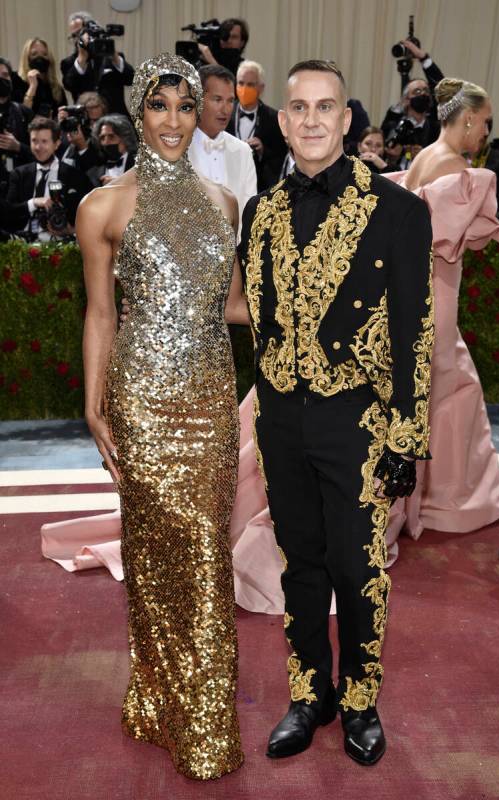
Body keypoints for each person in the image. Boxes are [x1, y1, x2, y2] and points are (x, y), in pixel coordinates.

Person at [239, 59, 433, 765]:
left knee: (356, 570)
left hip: (356, 419)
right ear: (282, 121)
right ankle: (308, 692)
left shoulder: (398, 210)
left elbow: (414, 331)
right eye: (299, 107)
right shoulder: (259, 212)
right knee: (300, 564)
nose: (313, 119)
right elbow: (258, 315)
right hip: (280, 419)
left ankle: (358, 698)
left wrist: (404, 438)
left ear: (346, 120)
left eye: (326, 106)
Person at [77, 52, 247, 780]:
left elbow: (236, 306)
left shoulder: (224, 203)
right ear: (138, 113)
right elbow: (100, 313)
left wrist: (315, 299)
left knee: (207, 557)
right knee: (152, 559)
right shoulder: (102, 206)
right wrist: (94, 403)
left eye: (186, 108)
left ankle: (201, 719)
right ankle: (160, 699)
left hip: (211, 399)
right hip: (143, 400)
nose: (175, 122)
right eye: (160, 107)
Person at [384, 78, 499, 548]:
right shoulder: (457, 170)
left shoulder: (421, 159)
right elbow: (449, 244)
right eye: (484, 123)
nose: (485, 133)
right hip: (435, 299)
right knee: (447, 392)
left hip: (413, 296)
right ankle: (443, 502)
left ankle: (426, 494)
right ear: (465, 119)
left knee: (436, 393)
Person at [188, 64, 257, 227]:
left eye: (230, 101)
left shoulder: (243, 151)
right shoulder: (176, 148)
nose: (225, 109)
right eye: (217, 99)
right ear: (197, 99)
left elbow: (248, 211)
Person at [7, 116, 90, 240]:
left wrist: (71, 230)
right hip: (22, 244)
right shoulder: (19, 174)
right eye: (34, 141)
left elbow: (89, 215)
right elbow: (8, 212)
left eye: (44, 141)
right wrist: (34, 202)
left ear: (56, 144)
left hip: (61, 246)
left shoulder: (74, 176)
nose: (38, 147)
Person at [227, 60, 287, 190]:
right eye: (241, 83)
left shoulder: (274, 119)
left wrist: (262, 151)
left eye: (250, 85)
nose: (244, 89)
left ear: (261, 88)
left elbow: (281, 158)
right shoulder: (224, 114)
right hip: (226, 185)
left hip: (258, 189)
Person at [61, 12, 134, 116]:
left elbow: (131, 79)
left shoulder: (112, 57)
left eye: (80, 33)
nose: (78, 39)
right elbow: (69, 85)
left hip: (115, 118)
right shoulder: (69, 63)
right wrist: (82, 58)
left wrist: (114, 55)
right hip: (86, 120)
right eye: (74, 36)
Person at [0, 57, 34, 174]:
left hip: (19, 180)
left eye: (5, 75)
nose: (1, 79)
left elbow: (41, 153)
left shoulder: (23, 112)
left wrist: (18, 147)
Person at [18, 38, 67, 118]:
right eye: (34, 54)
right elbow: (21, 116)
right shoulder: (18, 82)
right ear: (27, 58)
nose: (40, 58)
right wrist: (32, 87)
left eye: (44, 54)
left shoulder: (56, 88)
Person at [86, 113, 136, 186]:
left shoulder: (142, 164)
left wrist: (119, 183)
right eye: (102, 138)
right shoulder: (93, 174)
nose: (106, 142)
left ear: (125, 138)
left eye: (111, 136)